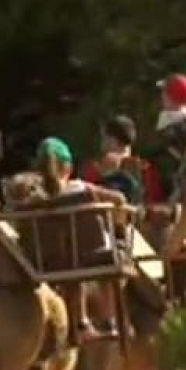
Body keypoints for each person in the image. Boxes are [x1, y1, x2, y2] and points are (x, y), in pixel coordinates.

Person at [31, 136, 131, 339]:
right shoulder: (80, 188)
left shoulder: (35, 198)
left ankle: (81, 322)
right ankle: (109, 320)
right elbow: (119, 199)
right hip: (89, 256)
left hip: (47, 260)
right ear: (67, 166)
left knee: (71, 265)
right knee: (107, 260)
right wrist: (119, 227)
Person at [82, 114, 163, 206]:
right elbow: (155, 203)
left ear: (112, 140)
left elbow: (86, 201)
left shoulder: (95, 169)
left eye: (104, 137)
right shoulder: (147, 170)